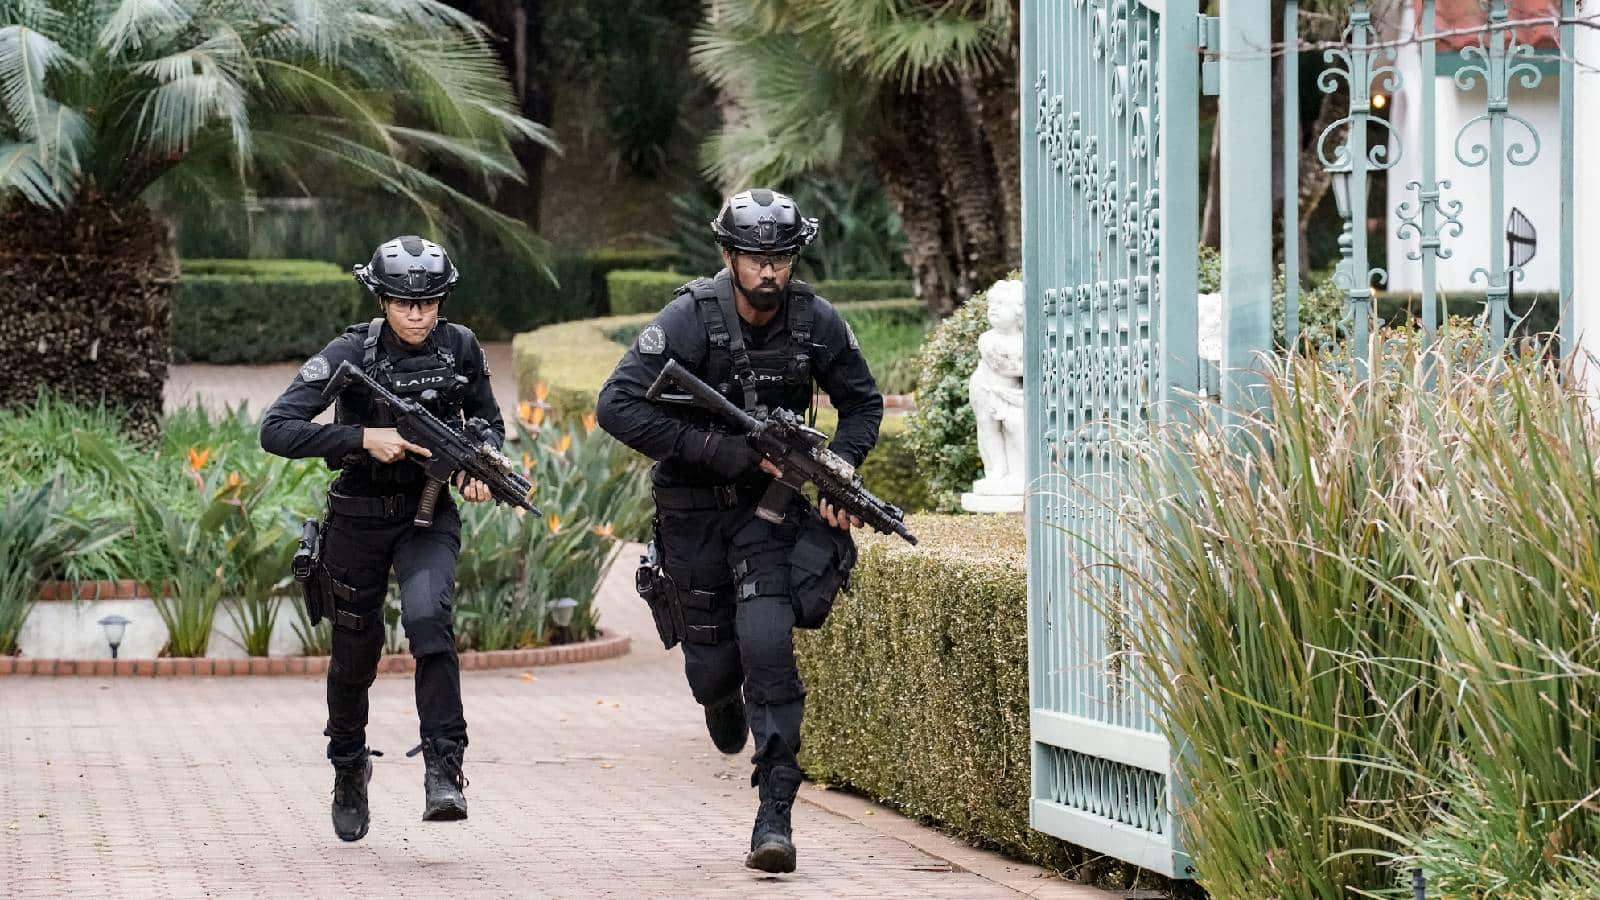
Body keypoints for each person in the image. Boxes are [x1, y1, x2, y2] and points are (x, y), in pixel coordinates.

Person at [596, 188, 884, 873]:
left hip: (770, 514)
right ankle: (718, 699)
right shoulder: (690, 318)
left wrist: (839, 469)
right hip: (693, 514)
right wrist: (716, 449)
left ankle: (774, 816)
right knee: (713, 672)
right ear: (729, 256)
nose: (769, 271)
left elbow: (863, 405)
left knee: (768, 647)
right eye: (755, 258)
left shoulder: (816, 321)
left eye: (780, 259)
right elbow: (616, 405)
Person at [259, 235, 502, 842]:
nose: (417, 315)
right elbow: (277, 429)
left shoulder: (461, 347)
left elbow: (488, 421)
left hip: (427, 513)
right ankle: (348, 765)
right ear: (382, 299)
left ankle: (444, 767)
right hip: (358, 517)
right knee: (354, 655)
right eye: (403, 303)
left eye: (429, 303)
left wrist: (479, 464)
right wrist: (364, 438)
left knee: (429, 621)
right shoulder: (350, 352)